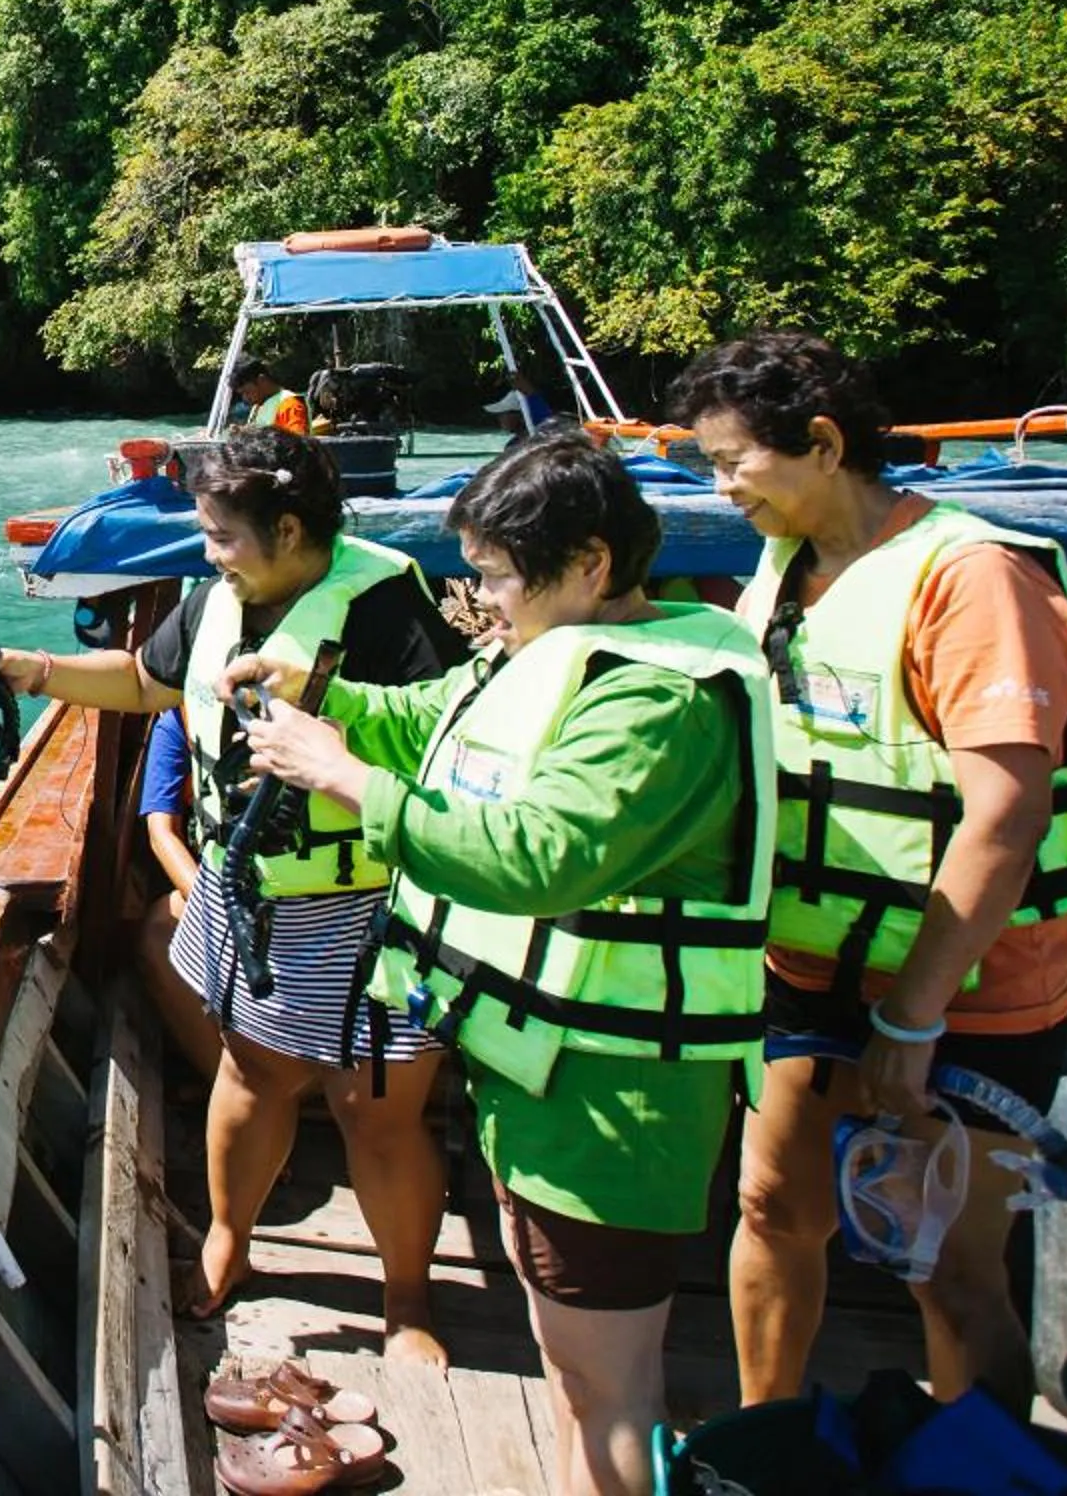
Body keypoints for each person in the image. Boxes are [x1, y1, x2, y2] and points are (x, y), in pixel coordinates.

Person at [235, 427, 776, 1496]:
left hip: (611, 1101)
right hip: (541, 1073)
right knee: (577, 1374)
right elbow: (432, 720)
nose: (480, 603)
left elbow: (538, 856)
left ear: (590, 562)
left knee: (609, 1384)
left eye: (495, 576)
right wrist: (325, 697)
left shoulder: (655, 701)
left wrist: (338, 774)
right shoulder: (543, 655)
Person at [672, 334, 1067, 1417]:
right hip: (808, 965)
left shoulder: (973, 576)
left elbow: (1006, 814)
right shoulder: (782, 571)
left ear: (821, 441)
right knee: (770, 1204)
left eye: (732, 463)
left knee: (951, 1265)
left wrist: (914, 1015)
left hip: (971, 992)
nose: (720, 492)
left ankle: (977, 1466)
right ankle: (763, 1443)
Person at [0, 426, 461, 1359]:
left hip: (368, 905)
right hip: (250, 894)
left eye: (221, 536)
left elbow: (447, 747)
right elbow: (144, 680)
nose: (207, 554)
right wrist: (35, 671)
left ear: (289, 529)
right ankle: (229, 1243)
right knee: (250, 1076)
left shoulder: (384, 610)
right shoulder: (216, 601)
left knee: (376, 1109)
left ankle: (408, 1302)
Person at [132, 707, 224, 1078]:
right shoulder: (179, 723)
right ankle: (225, 1081)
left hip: (315, 888)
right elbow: (161, 833)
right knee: (159, 933)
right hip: (222, 885)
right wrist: (211, 904)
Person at [224, 360, 310, 435]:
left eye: (247, 392)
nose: (245, 398)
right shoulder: (258, 406)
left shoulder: (290, 405)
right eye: (241, 394)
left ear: (262, 380)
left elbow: (299, 445)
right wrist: (243, 432)